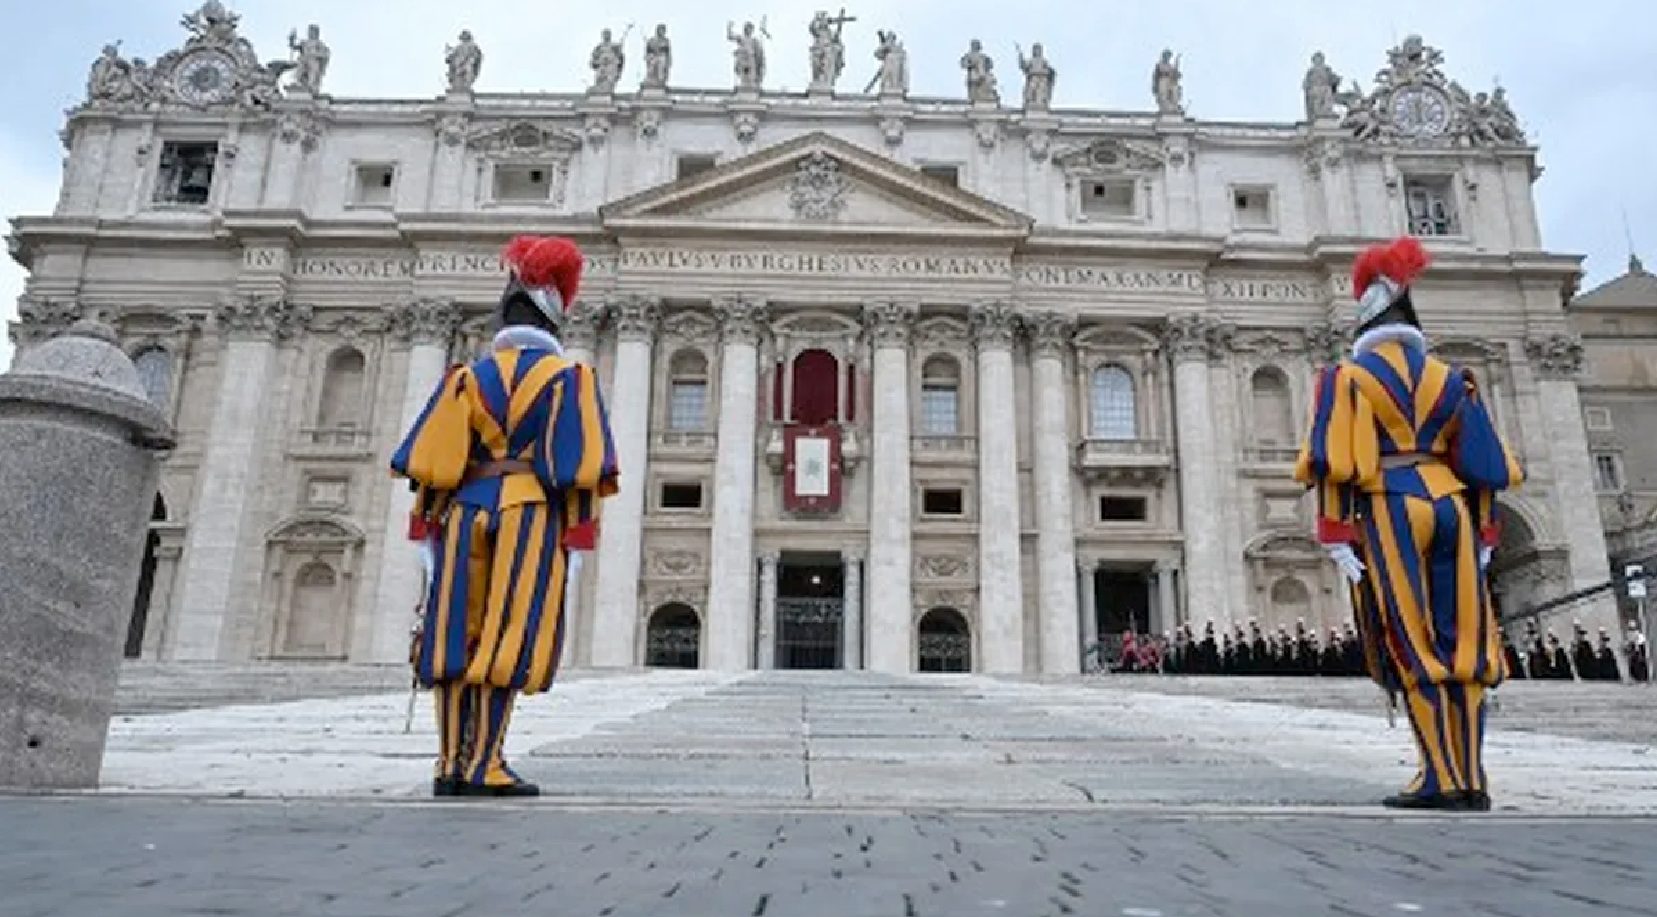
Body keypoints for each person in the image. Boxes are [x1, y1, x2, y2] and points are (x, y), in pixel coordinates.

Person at [1294, 235, 1522, 811]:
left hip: (1391, 504)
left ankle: (1437, 777)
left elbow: (1335, 459)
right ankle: (1472, 780)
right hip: (1454, 506)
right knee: (1466, 639)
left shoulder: (1348, 377)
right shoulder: (1453, 378)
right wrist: (1486, 533)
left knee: (1410, 635)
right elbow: (1482, 462)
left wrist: (1335, 534)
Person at [391, 235, 619, 797]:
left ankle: (449, 763)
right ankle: (486, 763)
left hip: (464, 511)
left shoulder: (465, 378)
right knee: (509, 632)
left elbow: (432, 462)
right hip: (529, 514)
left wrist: (428, 528)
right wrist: (577, 536)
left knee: (453, 633)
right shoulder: (568, 378)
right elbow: (576, 466)